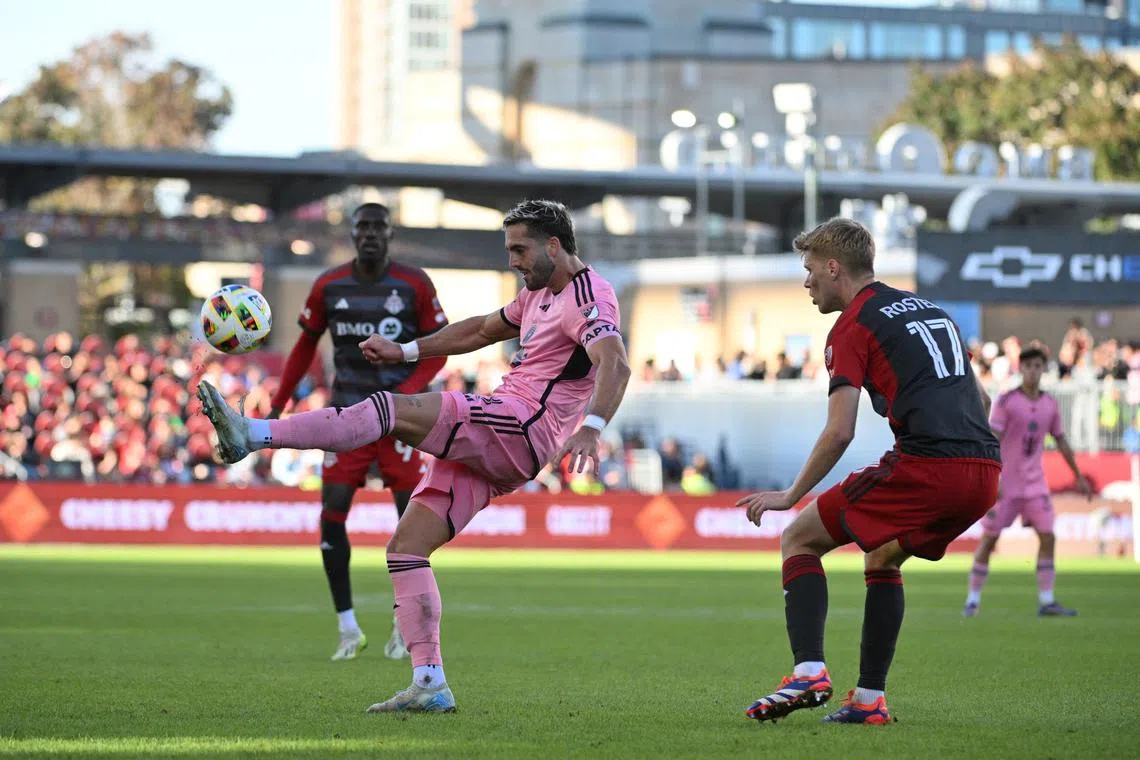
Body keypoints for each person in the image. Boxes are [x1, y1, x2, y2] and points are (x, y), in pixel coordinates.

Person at [197, 199, 631, 714]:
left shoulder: (590, 296)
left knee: (386, 408)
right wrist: (405, 351)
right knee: (406, 548)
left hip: (516, 427)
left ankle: (251, 434)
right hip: (502, 440)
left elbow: (616, 363)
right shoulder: (536, 294)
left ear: (554, 245)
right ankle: (430, 683)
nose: (512, 260)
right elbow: (478, 331)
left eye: (519, 249)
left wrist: (593, 427)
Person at [736, 218, 1000, 725]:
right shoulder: (933, 311)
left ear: (834, 267)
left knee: (799, 538)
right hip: (986, 472)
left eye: (810, 269)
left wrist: (791, 493)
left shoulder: (853, 326)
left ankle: (809, 670)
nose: (806, 282)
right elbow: (982, 398)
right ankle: (868, 701)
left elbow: (840, 431)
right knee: (881, 557)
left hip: (930, 466)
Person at [269, 202, 448, 663]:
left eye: (378, 226)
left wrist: (404, 395)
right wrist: (277, 404)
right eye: (362, 226)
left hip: (400, 421)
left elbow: (437, 351)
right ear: (352, 233)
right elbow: (305, 345)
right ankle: (348, 627)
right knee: (331, 518)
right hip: (345, 421)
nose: (370, 234)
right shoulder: (329, 285)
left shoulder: (415, 284)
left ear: (389, 233)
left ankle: (400, 623)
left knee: (414, 526)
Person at [964, 347, 1092, 618]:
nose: (1033, 371)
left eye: (1038, 366)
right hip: (1006, 486)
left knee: (1048, 536)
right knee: (989, 540)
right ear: (1021, 369)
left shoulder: (1050, 404)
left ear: (1044, 369)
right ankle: (972, 601)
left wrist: (1078, 476)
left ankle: (1046, 601)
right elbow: (993, 440)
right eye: (1029, 366)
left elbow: (1061, 441)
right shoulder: (1007, 401)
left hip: (1035, 486)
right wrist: (991, 478)